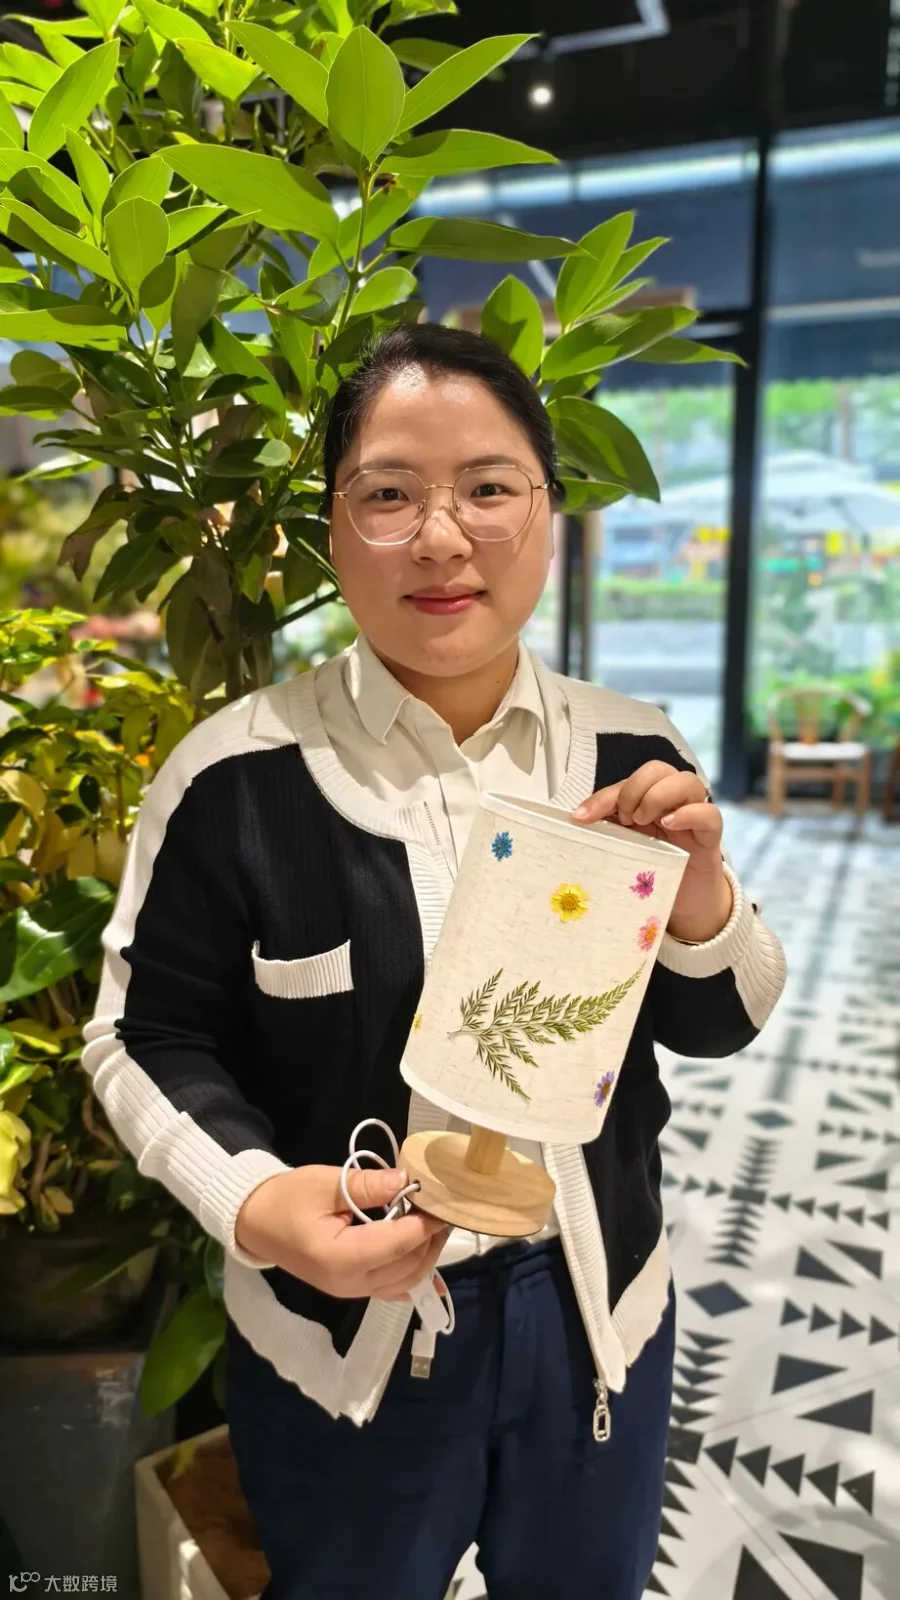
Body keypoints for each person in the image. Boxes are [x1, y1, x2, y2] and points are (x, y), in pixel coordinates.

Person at [83, 324, 786, 1599]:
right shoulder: (234, 778)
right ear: (333, 527)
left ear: (548, 513)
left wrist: (700, 902)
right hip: (343, 1340)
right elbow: (144, 1034)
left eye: (490, 487)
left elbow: (720, 1020)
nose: (444, 537)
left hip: (595, 1314)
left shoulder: (630, 749)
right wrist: (253, 1201)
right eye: (391, 494)